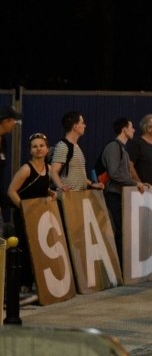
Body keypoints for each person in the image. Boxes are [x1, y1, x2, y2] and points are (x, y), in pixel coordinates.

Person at [7, 132, 57, 303]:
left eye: (41, 146)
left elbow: (42, 188)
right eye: (35, 146)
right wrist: (23, 208)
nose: (38, 149)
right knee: (24, 249)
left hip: (37, 216)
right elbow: (11, 191)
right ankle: (23, 285)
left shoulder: (49, 169)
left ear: (47, 148)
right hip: (23, 215)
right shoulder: (26, 169)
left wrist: (51, 193)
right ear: (30, 150)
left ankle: (36, 283)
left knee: (37, 248)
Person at [101, 118, 148, 257]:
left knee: (125, 230)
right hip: (114, 195)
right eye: (131, 127)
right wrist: (135, 183)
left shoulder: (123, 149)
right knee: (121, 230)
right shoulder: (114, 147)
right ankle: (121, 266)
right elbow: (114, 173)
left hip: (122, 195)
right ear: (124, 129)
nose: (134, 130)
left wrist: (140, 183)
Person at [49, 111, 104, 192]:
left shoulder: (76, 147)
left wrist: (92, 184)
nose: (84, 125)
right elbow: (53, 172)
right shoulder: (63, 146)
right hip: (68, 198)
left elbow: (78, 175)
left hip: (77, 197)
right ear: (75, 126)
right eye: (82, 123)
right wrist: (62, 186)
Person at [127, 114, 152, 186]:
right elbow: (129, 165)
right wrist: (139, 183)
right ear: (149, 129)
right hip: (143, 191)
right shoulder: (137, 144)